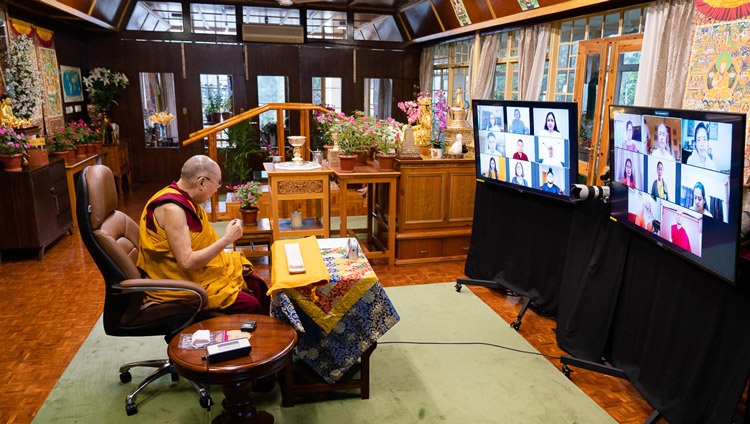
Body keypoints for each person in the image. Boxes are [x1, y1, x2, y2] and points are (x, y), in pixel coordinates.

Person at [137, 155, 270, 315]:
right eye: (217, 184)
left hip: (196, 273)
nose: (216, 190)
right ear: (201, 182)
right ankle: (254, 337)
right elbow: (187, 262)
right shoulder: (173, 210)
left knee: (257, 285)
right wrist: (227, 239)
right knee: (250, 305)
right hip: (180, 283)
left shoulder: (186, 200)